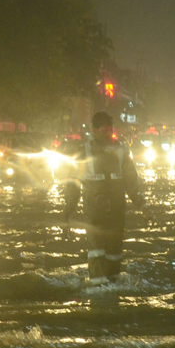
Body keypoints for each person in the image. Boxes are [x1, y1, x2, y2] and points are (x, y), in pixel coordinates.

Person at [63, 111, 144, 284]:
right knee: (96, 252)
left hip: (116, 211)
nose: (107, 134)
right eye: (103, 131)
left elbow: (131, 182)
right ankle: (98, 289)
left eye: (109, 130)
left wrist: (142, 205)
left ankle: (112, 284)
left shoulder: (121, 151)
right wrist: (67, 211)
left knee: (115, 253)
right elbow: (73, 184)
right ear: (94, 130)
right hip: (94, 213)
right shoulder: (83, 152)